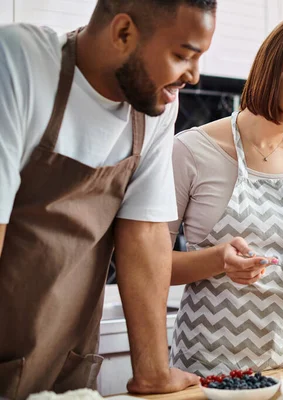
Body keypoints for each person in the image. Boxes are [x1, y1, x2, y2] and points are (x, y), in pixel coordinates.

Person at [0, 1, 216, 398]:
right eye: (183, 56)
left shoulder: (156, 106)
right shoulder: (19, 63)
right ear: (123, 34)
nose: (194, 75)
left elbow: (146, 233)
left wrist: (153, 372)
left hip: (67, 362)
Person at [167, 17, 283, 376]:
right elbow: (148, 265)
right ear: (279, 71)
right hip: (210, 371)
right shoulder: (192, 151)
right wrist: (217, 261)